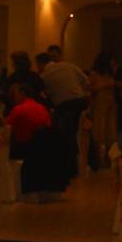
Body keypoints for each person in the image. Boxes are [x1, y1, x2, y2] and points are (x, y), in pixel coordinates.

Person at [37, 50, 89, 182]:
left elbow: (46, 94)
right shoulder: (68, 65)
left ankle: (69, 166)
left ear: (41, 64)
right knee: (75, 133)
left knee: (65, 135)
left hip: (64, 106)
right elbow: (86, 81)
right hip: (80, 102)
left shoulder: (44, 76)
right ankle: (83, 163)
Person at [87, 50, 118, 167]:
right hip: (99, 105)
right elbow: (89, 89)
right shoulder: (94, 74)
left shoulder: (111, 73)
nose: (113, 62)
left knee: (110, 132)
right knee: (99, 131)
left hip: (111, 105)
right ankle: (98, 159)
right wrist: (103, 86)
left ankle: (107, 158)